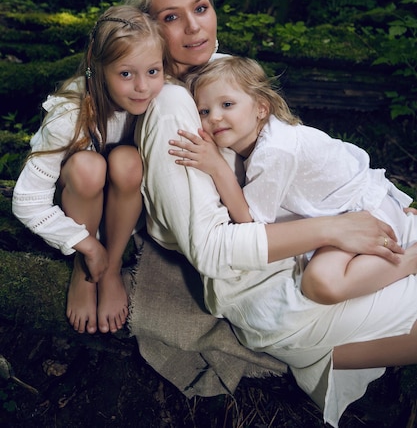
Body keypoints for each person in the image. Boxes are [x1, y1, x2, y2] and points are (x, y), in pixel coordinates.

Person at [122, 0, 417, 428]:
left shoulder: (212, 72)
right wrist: (337, 228)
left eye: (200, 8)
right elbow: (216, 249)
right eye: (171, 18)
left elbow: (298, 157)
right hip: (271, 287)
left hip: (294, 261)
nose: (195, 28)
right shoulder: (174, 105)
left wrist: (362, 205)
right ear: (149, 30)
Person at [167, 55, 417, 305]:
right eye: (204, 111)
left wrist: (217, 168)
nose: (215, 117)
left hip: (363, 212)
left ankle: (411, 258)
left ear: (261, 108)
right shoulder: (261, 141)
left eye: (228, 104)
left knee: (322, 283)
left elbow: (250, 222)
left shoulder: (274, 151)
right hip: (354, 207)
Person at [12, 6, 166, 335]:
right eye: (126, 74)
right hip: (78, 204)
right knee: (88, 166)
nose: (142, 87)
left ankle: (110, 269)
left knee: (128, 162)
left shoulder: (160, 104)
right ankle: (85, 271)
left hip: (124, 208)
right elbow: (26, 200)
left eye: (153, 71)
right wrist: (86, 245)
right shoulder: (70, 113)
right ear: (97, 65)